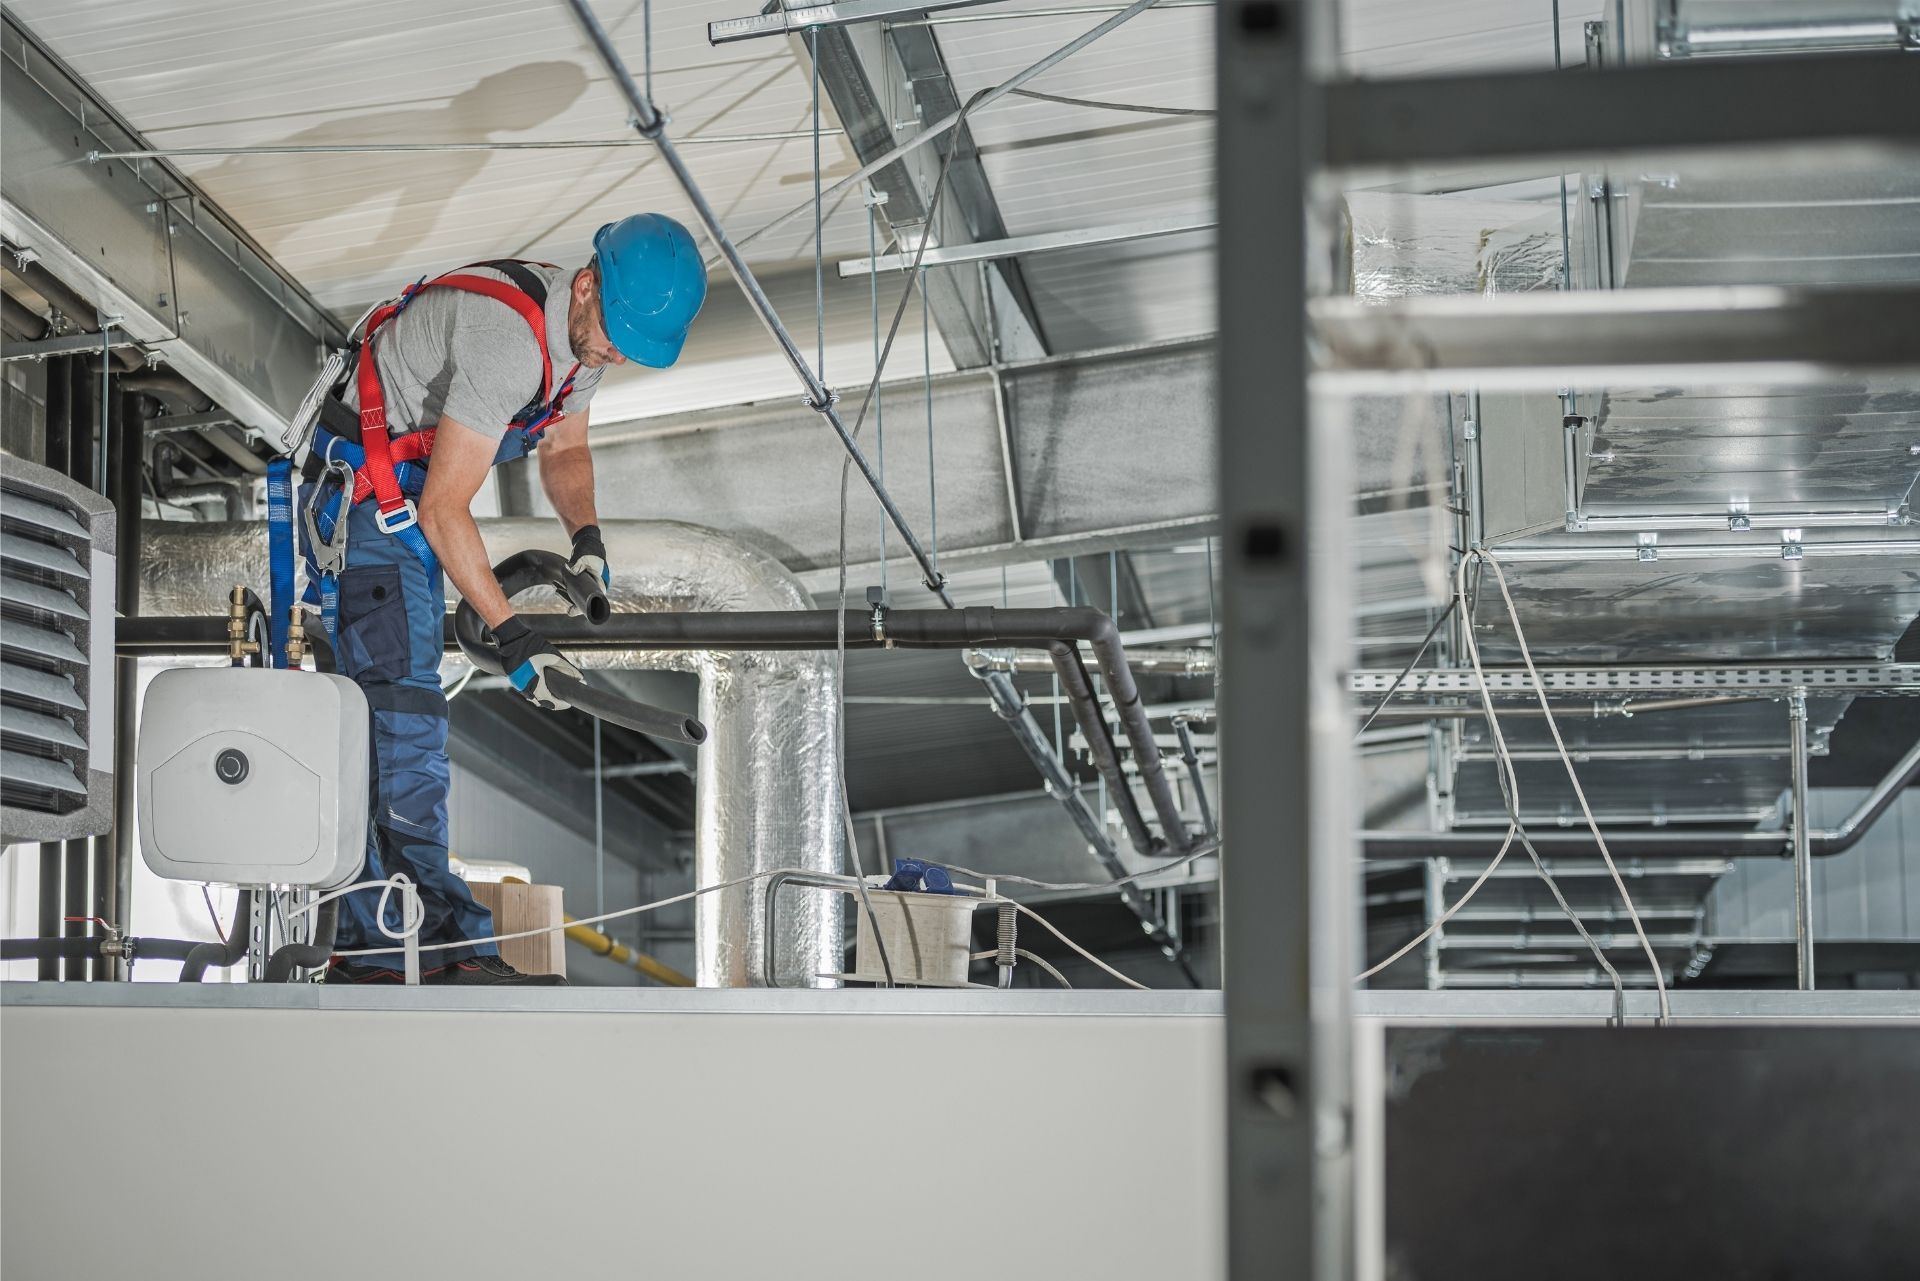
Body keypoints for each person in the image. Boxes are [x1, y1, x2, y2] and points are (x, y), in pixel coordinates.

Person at [296, 214, 708, 984]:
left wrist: (586, 538)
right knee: (400, 718)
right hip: (365, 502)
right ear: (586, 285)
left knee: (403, 719)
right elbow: (444, 510)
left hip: (404, 500)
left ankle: (431, 943)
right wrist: (514, 637)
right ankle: (388, 948)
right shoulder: (509, 341)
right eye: (614, 335)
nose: (614, 354)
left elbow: (567, 447)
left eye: (628, 348)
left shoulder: (586, 343)